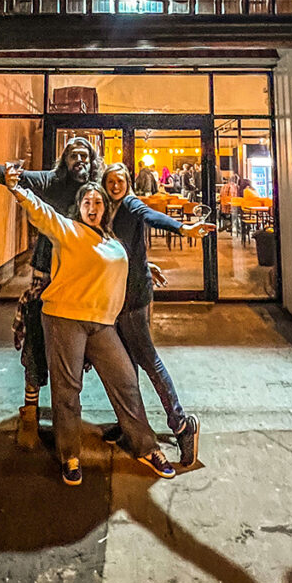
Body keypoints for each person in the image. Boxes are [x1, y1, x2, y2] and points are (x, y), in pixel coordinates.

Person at [2, 163, 176, 485]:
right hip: (64, 318)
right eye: (87, 203)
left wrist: (145, 268)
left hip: (100, 322)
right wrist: (16, 188)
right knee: (67, 390)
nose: (92, 207)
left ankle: (145, 445)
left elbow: (110, 268)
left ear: (104, 208)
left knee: (125, 380)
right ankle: (70, 454)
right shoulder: (67, 230)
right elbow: (40, 211)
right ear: (79, 207)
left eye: (98, 203)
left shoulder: (111, 241)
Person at [0, 134, 101, 447]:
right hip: (45, 281)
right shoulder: (49, 182)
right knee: (35, 347)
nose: (80, 161)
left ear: (93, 160)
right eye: (74, 156)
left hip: (81, 283)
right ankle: (29, 413)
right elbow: (10, 175)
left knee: (75, 354)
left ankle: (67, 414)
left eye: (85, 156)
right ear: (65, 160)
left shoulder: (96, 190)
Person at [101, 162, 215, 466]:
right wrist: (145, 263)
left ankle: (181, 425)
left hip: (133, 297)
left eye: (120, 180)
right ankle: (131, 425)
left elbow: (151, 216)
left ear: (128, 182)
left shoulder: (131, 204)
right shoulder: (104, 210)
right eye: (110, 181)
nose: (115, 186)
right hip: (115, 295)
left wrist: (183, 227)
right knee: (126, 366)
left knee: (148, 359)